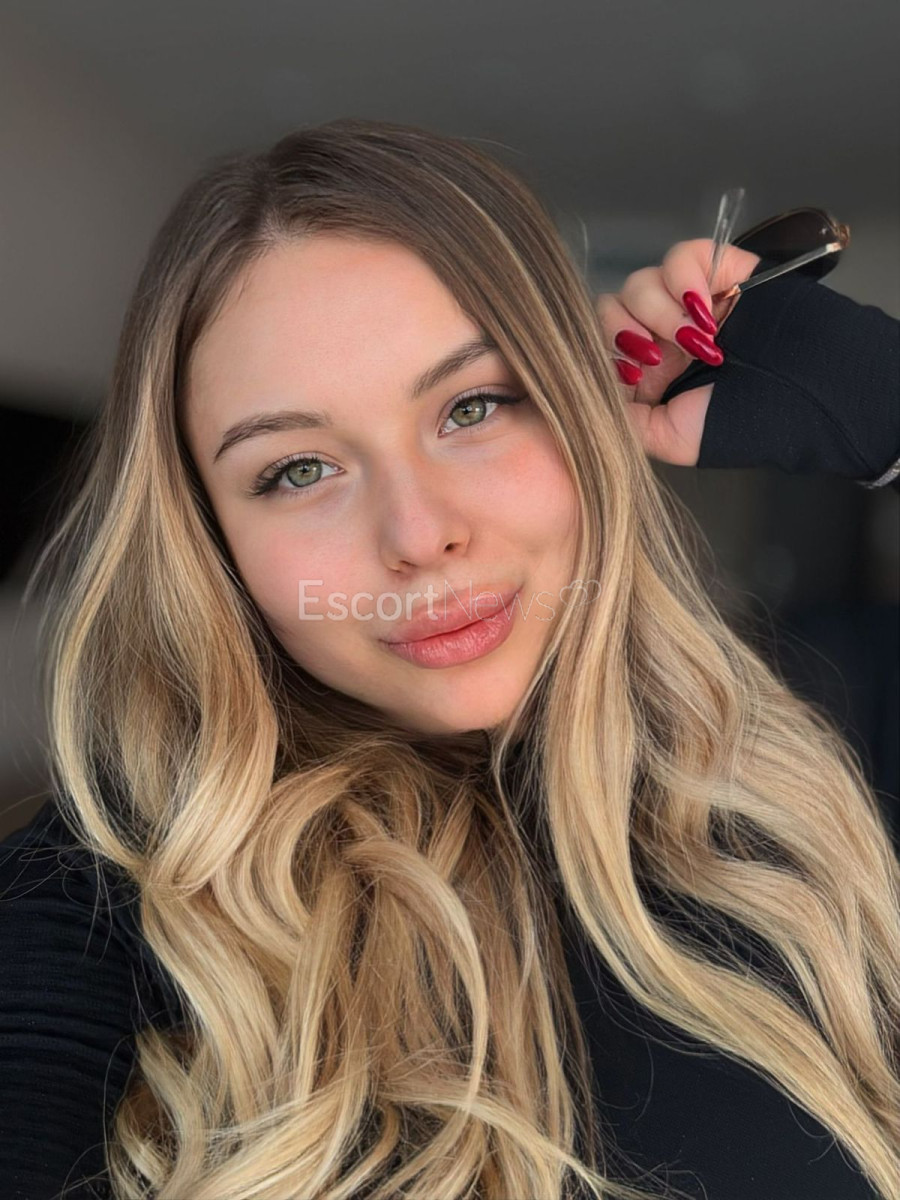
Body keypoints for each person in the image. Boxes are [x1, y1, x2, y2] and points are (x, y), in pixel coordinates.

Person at [0, 117, 897, 1200]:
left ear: (582, 412)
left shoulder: (818, 776)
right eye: (297, 470)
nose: (419, 534)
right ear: (211, 540)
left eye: (473, 407)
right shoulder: (111, 909)